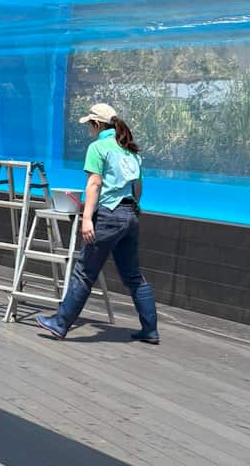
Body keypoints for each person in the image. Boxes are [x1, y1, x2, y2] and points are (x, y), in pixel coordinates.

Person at [36, 103, 159, 344]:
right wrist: (130, 210)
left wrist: (87, 218)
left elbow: (93, 184)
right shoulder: (130, 150)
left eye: (89, 125)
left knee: (84, 272)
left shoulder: (98, 147)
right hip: (130, 215)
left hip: (108, 216)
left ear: (97, 124)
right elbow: (138, 188)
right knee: (133, 275)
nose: (88, 130)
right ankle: (150, 329)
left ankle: (60, 324)